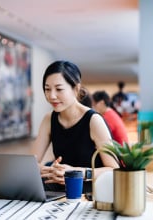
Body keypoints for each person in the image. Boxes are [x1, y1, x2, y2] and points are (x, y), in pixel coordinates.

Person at [32, 60, 118, 193]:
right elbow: (30, 162)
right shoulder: (49, 119)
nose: (52, 96)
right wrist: (44, 169)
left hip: (92, 188)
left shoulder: (93, 120)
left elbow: (114, 170)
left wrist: (78, 173)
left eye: (59, 89)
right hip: (61, 186)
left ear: (76, 89)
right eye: (47, 89)